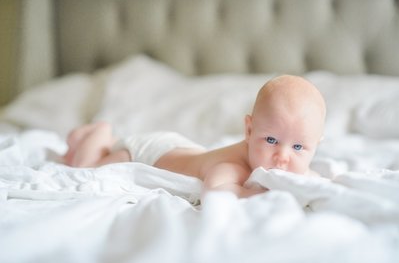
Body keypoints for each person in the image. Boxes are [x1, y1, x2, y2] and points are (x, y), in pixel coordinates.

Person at [63, 75, 326, 198]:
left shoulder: (279, 159)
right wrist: (260, 195)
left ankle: (105, 139)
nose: (282, 156)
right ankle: (100, 132)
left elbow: (313, 179)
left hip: (180, 148)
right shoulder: (232, 167)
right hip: (148, 152)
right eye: (271, 140)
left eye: (299, 147)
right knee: (86, 169)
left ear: (316, 146)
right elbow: (217, 190)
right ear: (248, 130)